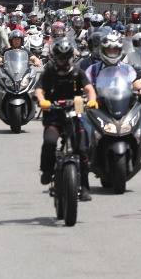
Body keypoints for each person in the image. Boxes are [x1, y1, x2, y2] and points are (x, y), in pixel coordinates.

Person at [34, 39, 96, 199]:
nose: (63, 60)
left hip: (76, 111)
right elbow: (39, 90)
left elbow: (89, 88)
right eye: (60, 57)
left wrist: (91, 100)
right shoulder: (48, 72)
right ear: (55, 58)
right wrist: (42, 101)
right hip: (53, 114)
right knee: (49, 142)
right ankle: (47, 170)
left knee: (82, 150)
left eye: (66, 57)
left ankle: (85, 186)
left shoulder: (76, 71)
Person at [84, 34, 141, 147]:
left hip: (123, 106)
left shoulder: (127, 68)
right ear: (103, 51)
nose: (112, 53)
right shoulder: (93, 70)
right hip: (99, 107)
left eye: (115, 50)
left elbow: (135, 82)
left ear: (120, 51)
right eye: (109, 50)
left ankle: (139, 143)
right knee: (82, 116)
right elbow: (84, 87)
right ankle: (88, 146)